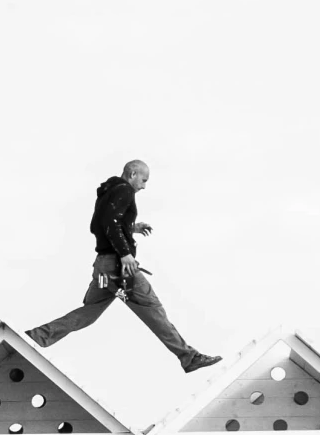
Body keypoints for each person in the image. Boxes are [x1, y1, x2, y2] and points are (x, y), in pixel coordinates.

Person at [27, 159, 222, 371]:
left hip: (103, 271)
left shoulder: (107, 193)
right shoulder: (124, 191)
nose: (144, 186)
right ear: (132, 174)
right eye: (143, 180)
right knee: (152, 308)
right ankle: (189, 357)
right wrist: (125, 253)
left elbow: (98, 225)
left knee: (91, 311)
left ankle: (38, 336)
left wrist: (132, 227)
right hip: (118, 271)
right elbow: (110, 223)